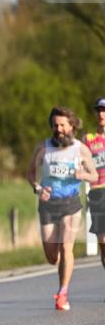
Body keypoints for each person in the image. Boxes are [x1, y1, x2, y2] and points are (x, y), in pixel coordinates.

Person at [26, 106, 97, 311]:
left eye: (63, 125)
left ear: (72, 126)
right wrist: (38, 188)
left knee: (67, 247)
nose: (58, 129)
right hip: (48, 204)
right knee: (51, 257)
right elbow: (30, 173)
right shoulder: (44, 148)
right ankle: (60, 278)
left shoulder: (81, 149)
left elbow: (94, 175)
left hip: (70, 204)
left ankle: (63, 293)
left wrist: (82, 176)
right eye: (55, 125)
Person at [84, 97, 105, 277]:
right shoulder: (89, 139)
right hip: (97, 192)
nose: (101, 114)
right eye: (98, 110)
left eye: (104, 110)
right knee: (103, 242)